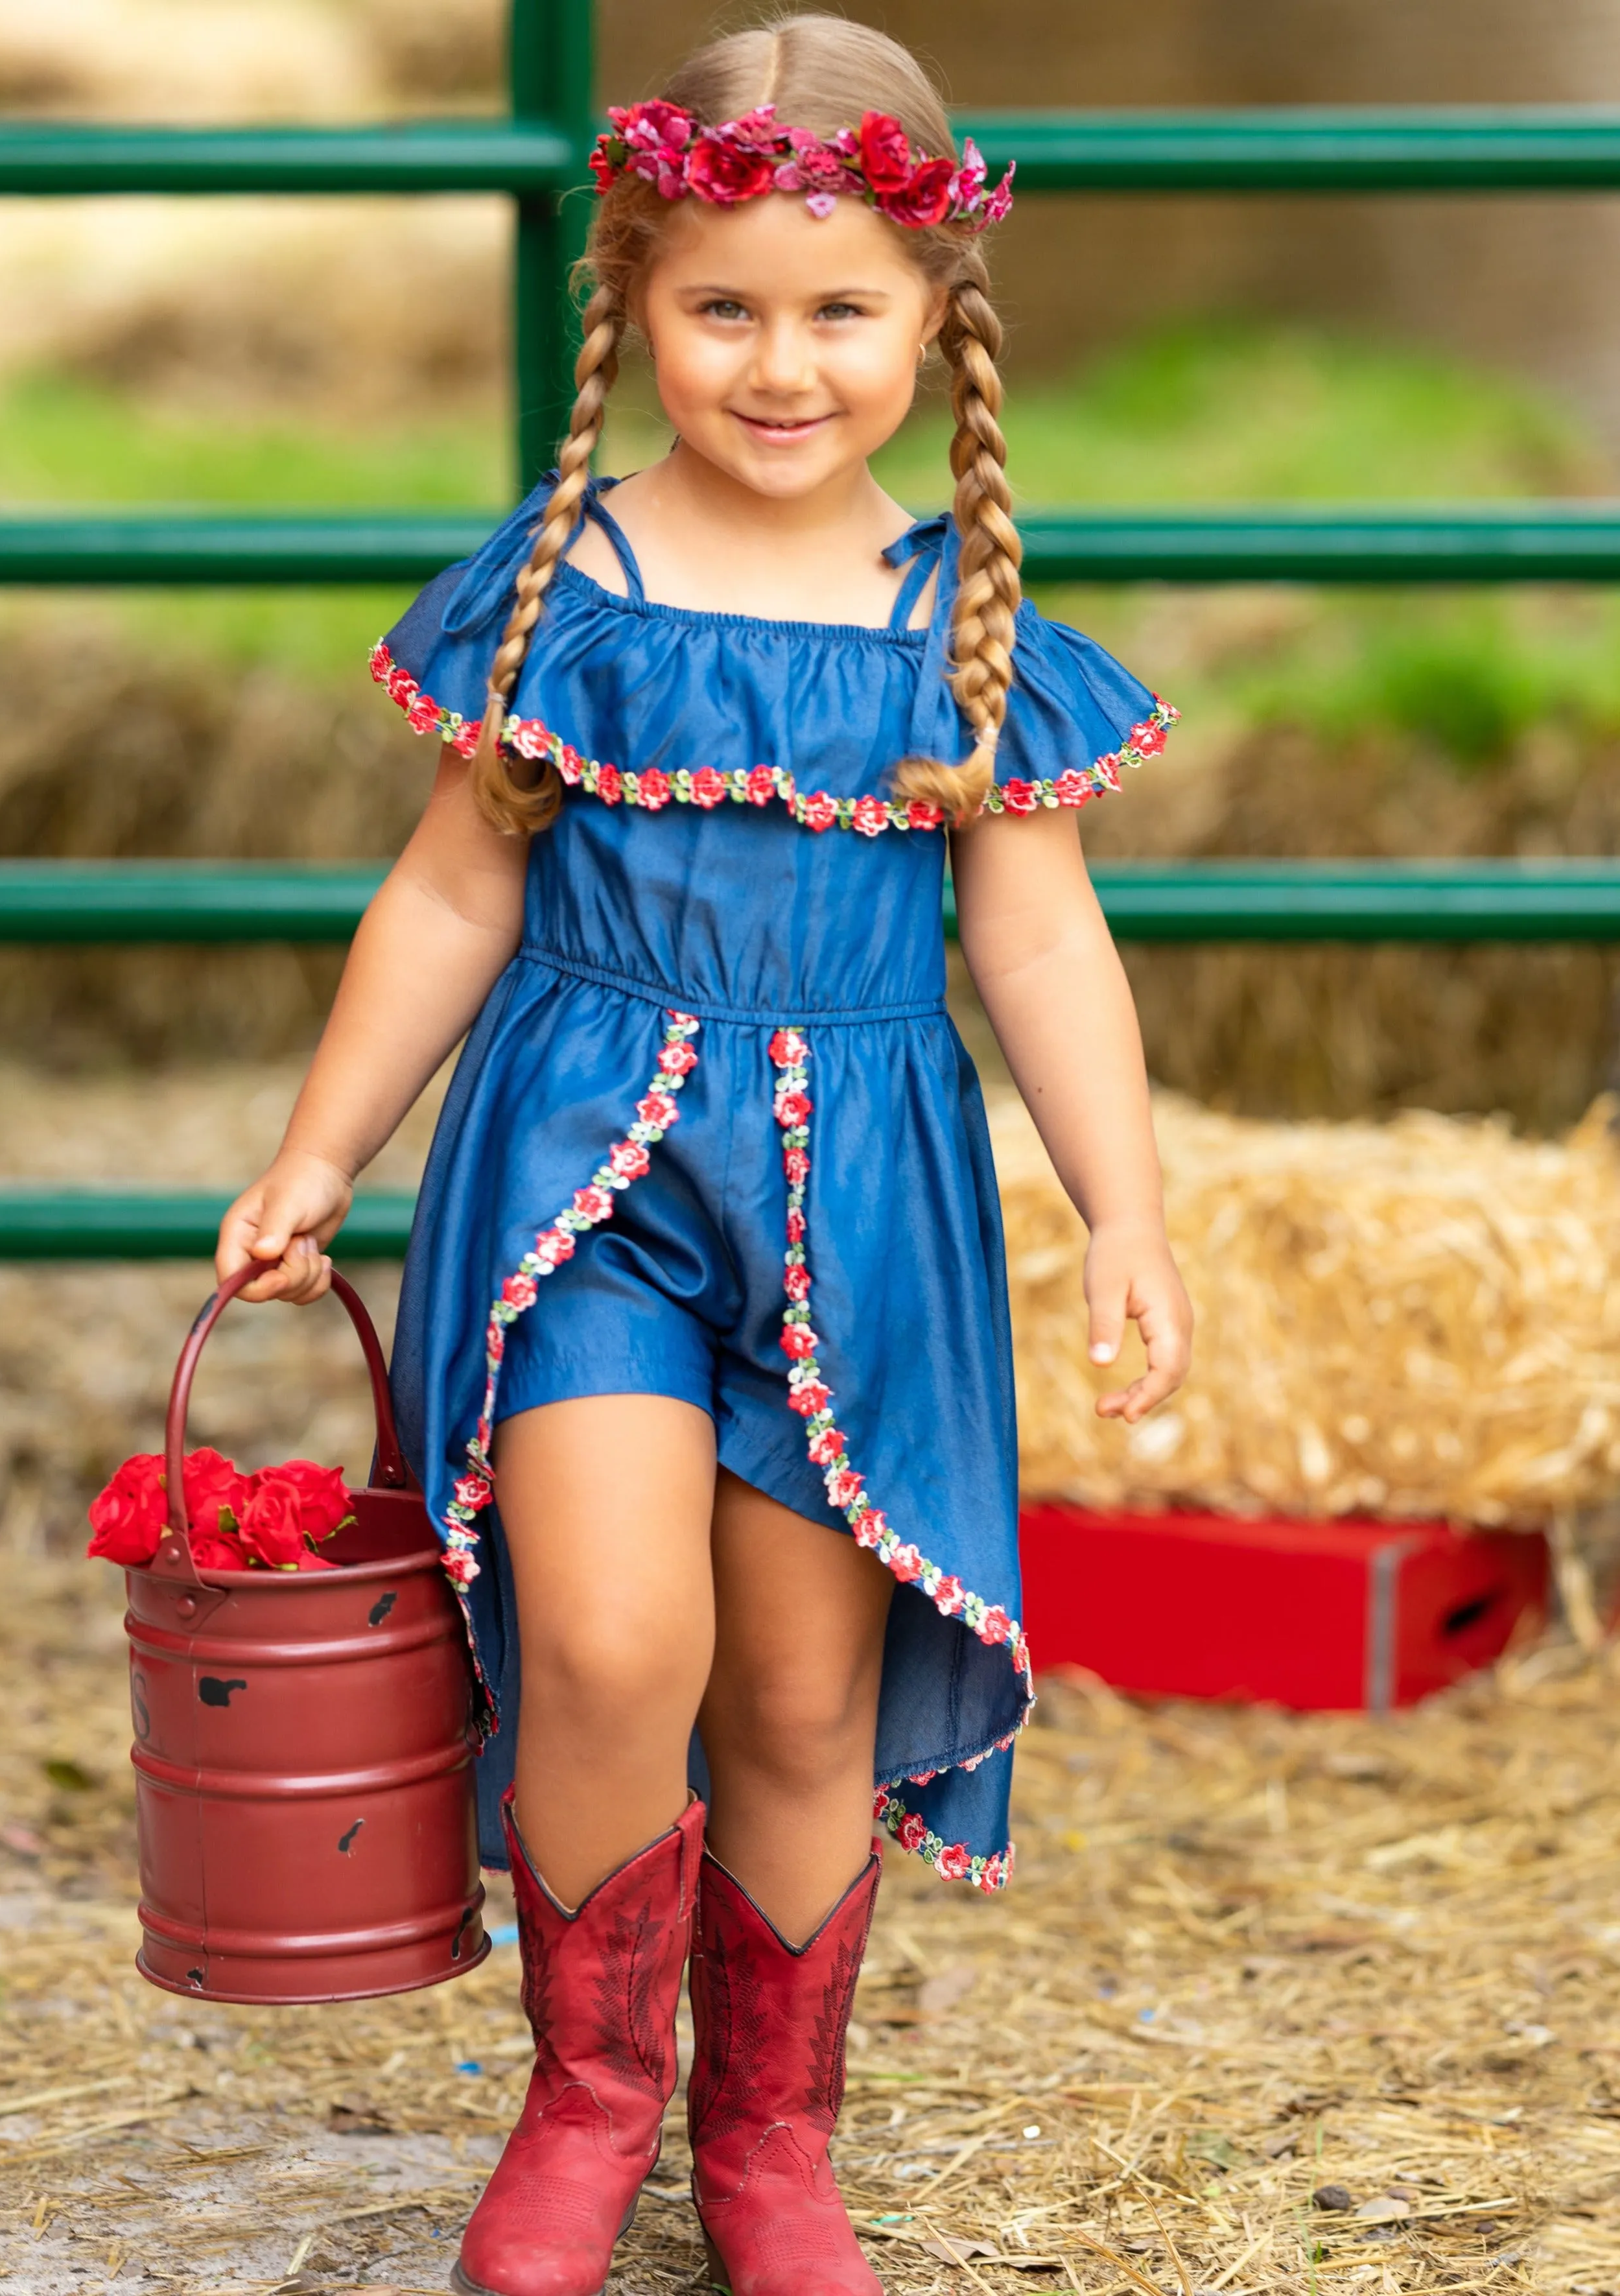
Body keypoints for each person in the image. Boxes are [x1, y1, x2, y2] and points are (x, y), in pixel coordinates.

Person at [216, 15, 1192, 2295]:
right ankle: (585, 2095)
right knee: (614, 1636)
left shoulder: (958, 633)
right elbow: (454, 891)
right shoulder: (568, 592)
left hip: (862, 1202)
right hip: (587, 1173)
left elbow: (1039, 946)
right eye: (718, 304)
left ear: (935, 314)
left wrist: (1123, 1202)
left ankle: (769, 2134)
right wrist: (317, 1149)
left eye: (838, 308)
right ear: (631, 291)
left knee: (792, 1690)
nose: (776, 363)